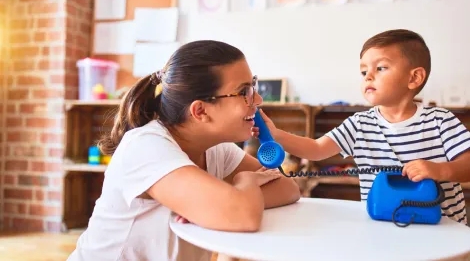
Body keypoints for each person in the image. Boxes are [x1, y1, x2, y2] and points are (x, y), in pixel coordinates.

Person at [67, 40, 301, 261]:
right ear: (200, 111)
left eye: (253, 86)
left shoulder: (216, 149)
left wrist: (225, 204)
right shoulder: (146, 146)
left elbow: (287, 188)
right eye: (244, 92)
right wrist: (246, 181)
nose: (258, 99)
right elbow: (244, 215)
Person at [254, 29, 470, 225]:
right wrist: (276, 135)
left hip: (443, 231)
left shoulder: (440, 120)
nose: (369, 76)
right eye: (363, 71)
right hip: (383, 226)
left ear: (414, 77)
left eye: (381, 68)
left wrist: (441, 170)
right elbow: (316, 149)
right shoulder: (359, 123)